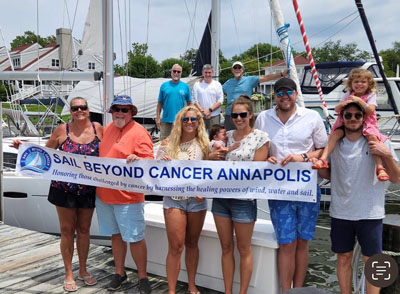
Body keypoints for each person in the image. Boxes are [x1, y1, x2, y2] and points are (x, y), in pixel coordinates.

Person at [11, 97, 103, 292]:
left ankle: (83, 270)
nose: (80, 110)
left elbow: (111, 153)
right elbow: (45, 154)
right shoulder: (62, 130)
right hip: (63, 188)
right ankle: (69, 272)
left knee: (85, 229)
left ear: (88, 109)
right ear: (70, 111)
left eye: (83, 107)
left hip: (89, 189)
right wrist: (24, 148)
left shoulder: (98, 128)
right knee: (67, 230)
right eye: (75, 108)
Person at [315, 102, 400, 294]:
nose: (353, 119)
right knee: (343, 257)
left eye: (357, 116)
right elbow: (330, 175)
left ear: (364, 118)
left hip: (370, 212)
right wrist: (319, 167)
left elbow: (395, 177)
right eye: (348, 116)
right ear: (342, 118)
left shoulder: (379, 141)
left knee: (372, 261)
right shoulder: (334, 143)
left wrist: (386, 154)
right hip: (341, 212)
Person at [254, 77, 328, 292]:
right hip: (278, 190)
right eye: (280, 93)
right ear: (274, 96)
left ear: (296, 94)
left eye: (288, 92)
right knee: (286, 243)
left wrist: (302, 157)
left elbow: (324, 149)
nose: (284, 96)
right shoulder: (263, 118)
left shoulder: (312, 117)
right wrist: (266, 158)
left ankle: (299, 289)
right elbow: (260, 149)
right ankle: (286, 291)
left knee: (303, 242)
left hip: (307, 189)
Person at [211, 96, 269, 294]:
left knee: (244, 249)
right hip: (221, 199)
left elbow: (258, 169)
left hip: (244, 201)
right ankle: (228, 291)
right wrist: (214, 156)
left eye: (243, 114)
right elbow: (212, 163)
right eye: (235, 115)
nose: (238, 118)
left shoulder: (261, 137)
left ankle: (242, 292)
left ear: (250, 115)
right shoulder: (225, 136)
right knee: (226, 248)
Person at [96, 95, 153, 294]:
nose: (120, 112)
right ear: (111, 111)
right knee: (116, 235)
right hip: (105, 195)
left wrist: (138, 158)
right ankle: (119, 273)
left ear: (132, 113)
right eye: (116, 109)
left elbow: (149, 161)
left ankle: (143, 277)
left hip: (128, 197)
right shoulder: (109, 128)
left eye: (124, 109)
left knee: (135, 238)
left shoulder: (140, 132)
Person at [157, 105, 210, 294]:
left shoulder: (205, 144)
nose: (189, 122)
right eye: (185, 119)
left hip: (197, 201)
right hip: (174, 199)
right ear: (180, 122)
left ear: (198, 122)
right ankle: (171, 290)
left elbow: (213, 173)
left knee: (192, 243)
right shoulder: (167, 143)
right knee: (176, 246)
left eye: (193, 119)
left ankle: (191, 284)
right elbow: (152, 167)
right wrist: (156, 158)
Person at [312, 68, 389, 181]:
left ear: (369, 84)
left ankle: (380, 166)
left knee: (372, 138)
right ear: (351, 84)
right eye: (356, 82)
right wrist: (344, 103)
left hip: (366, 122)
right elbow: (337, 109)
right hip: (346, 124)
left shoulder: (371, 95)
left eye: (363, 81)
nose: (359, 84)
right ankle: (323, 159)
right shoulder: (348, 94)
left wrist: (359, 101)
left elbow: (371, 111)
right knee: (335, 135)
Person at [222, 61, 288, 130]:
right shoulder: (228, 83)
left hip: (245, 114)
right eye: (235, 68)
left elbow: (266, 78)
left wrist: (281, 74)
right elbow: (217, 91)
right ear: (232, 70)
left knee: (247, 137)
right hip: (231, 115)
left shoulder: (249, 80)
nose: (237, 69)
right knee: (230, 137)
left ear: (243, 70)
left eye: (239, 67)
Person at [156, 64, 192, 140]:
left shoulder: (185, 86)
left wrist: (189, 118)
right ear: (171, 72)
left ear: (181, 73)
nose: (176, 73)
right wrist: (158, 118)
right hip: (166, 120)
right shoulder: (164, 86)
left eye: (178, 72)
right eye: (174, 71)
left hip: (180, 120)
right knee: (164, 143)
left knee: (178, 142)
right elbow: (159, 103)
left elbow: (190, 104)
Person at [192, 64, 224, 131]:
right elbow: (194, 100)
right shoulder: (197, 84)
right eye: (206, 72)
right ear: (202, 73)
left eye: (209, 72)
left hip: (214, 116)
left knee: (214, 137)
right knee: (200, 138)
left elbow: (220, 100)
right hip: (200, 116)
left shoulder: (217, 84)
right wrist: (203, 111)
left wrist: (209, 110)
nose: (207, 74)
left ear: (212, 73)